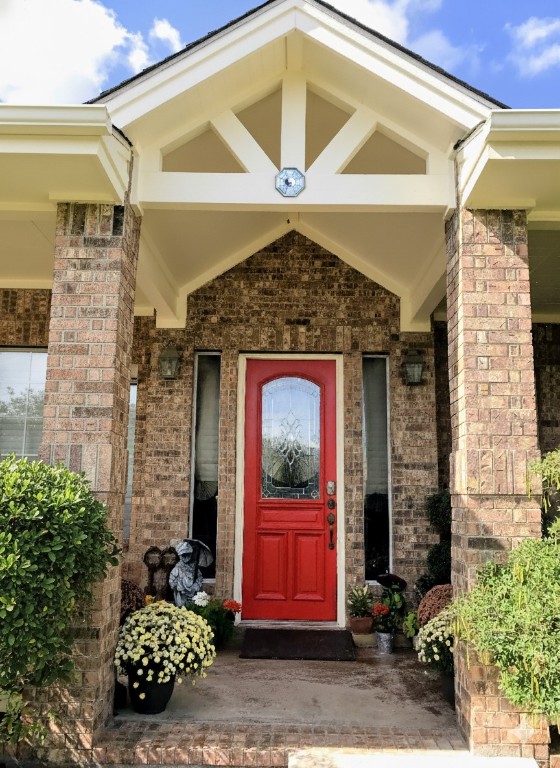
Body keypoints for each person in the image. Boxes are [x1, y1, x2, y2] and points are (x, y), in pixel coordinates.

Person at [169, 539, 207, 607]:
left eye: (188, 555)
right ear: (180, 555)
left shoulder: (194, 567)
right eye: (184, 555)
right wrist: (176, 586)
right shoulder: (178, 567)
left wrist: (195, 586)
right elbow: (172, 579)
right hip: (181, 594)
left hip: (192, 594)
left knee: (192, 609)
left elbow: (200, 578)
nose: (186, 557)